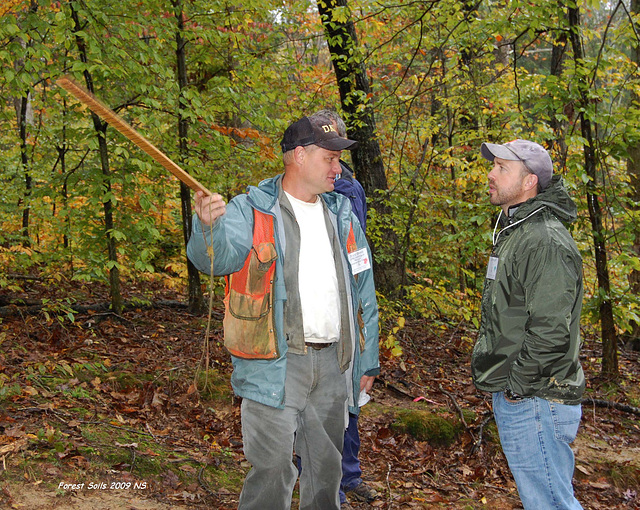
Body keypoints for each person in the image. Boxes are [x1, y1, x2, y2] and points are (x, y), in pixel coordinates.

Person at [186, 113, 380, 510]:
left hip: (334, 365)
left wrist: (368, 361)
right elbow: (216, 260)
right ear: (299, 156)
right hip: (275, 363)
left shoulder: (342, 214)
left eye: (338, 159)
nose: (337, 167)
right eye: (329, 158)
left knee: (327, 473)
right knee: (272, 471)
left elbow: (364, 290)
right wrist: (207, 227)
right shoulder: (252, 209)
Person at [471, 139, 584, 510]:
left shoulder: (543, 240)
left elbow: (552, 329)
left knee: (551, 502)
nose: (490, 173)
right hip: (527, 392)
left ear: (529, 182)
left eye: (502, 168)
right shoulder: (517, 231)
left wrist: (517, 388)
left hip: (537, 398)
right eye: (494, 165)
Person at [315, 110, 378, 508]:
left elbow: (359, 247)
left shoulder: (349, 187)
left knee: (350, 401)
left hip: (349, 303)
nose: (335, 157)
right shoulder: (311, 184)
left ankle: (348, 474)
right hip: (319, 309)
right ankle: (324, 479)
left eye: (339, 143)